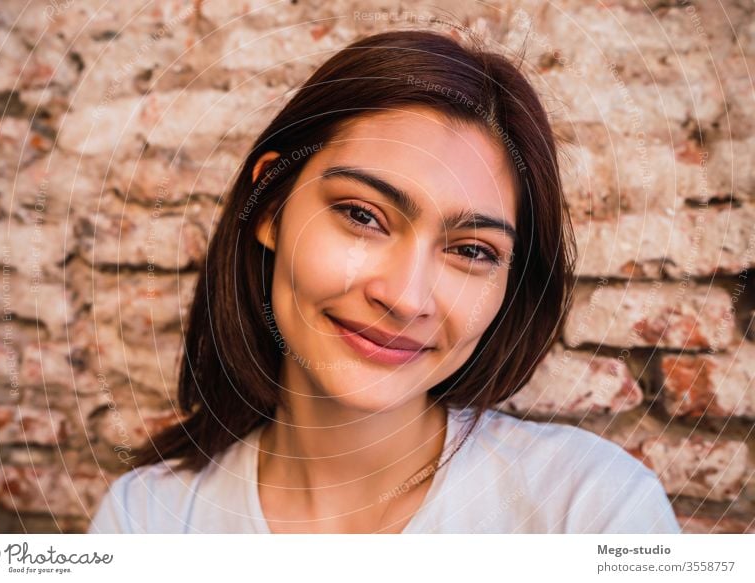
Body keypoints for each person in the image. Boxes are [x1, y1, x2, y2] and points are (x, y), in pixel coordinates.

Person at [88, 29, 681, 534]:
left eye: (472, 250)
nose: (403, 297)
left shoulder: (594, 513)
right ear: (270, 206)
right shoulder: (147, 520)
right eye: (362, 216)